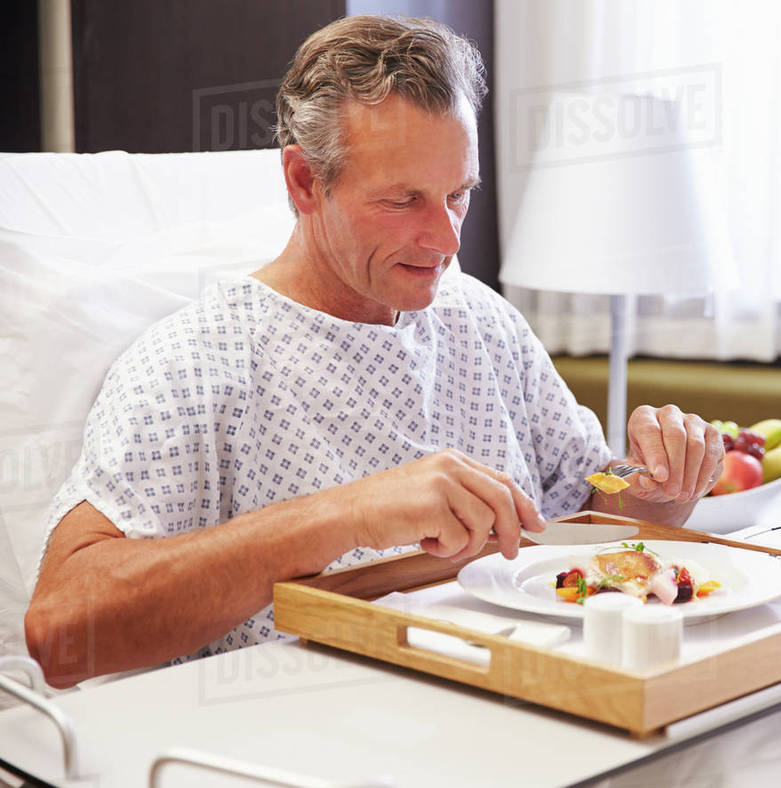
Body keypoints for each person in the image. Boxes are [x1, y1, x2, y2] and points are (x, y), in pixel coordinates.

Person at [24, 15, 724, 689]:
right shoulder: (197, 364)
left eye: (458, 194)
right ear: (305, 182)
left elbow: (600, 516)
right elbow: (61, 632)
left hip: (527, 698)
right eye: (403, 200)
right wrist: (346, 515)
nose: (448, 241)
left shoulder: (480, 319)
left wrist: (664, 482)